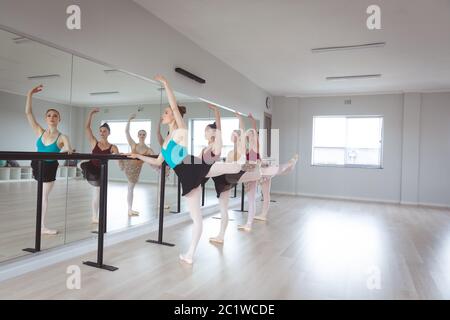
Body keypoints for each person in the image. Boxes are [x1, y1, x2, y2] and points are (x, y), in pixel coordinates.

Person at [129, 75, 244, 265]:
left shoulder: (179, 130)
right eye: (164, 112)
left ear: (173, 116)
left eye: (165, 112)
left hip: (192, 169)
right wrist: (137, 156)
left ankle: (240, 164)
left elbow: (174, 107)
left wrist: (166, 85)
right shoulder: (166, 140)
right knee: (196, 216)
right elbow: (158, 161)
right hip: (191, 173)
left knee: (219, 172)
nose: (163, 114)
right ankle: (190, 254)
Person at [25, 84, 73, 235]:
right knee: (41, 195)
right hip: (37, 164)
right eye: (49, 115)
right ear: (46, 118)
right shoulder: (40, 131)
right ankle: (41, 225)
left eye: (55, 116)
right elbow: (28, 113)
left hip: (49, 167)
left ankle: (42, 226)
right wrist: (30, 94)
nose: (52, 118)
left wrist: (67, 150)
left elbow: (68, 149)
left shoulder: (62, 136)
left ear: (59, 119)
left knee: (43, 196)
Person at [81, 108, 119, 224]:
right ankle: (94, 216)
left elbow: (118, 158)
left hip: (103, 171)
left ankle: (98, 215)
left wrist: (121, 165)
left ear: (109, 133)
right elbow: (87, 128)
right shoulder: (94, 142)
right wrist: (91, 114)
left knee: (100, 193)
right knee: (97, 192)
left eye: (104, 131)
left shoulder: (112, 147)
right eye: (101, 131)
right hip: (92, 169)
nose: (102, 133)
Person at [118, 114, 155, 216]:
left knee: (130, 188)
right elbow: (126, 132)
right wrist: (129, 119)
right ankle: (130, 209)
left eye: (144, 134)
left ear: (146, 136)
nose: (142, 136)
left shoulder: (149, 150)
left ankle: (130, 209)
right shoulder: (134, 144)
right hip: (128, 165)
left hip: (136, 169)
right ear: (138, 136)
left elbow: (154, 160)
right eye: (140, 134)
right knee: (130, 188)